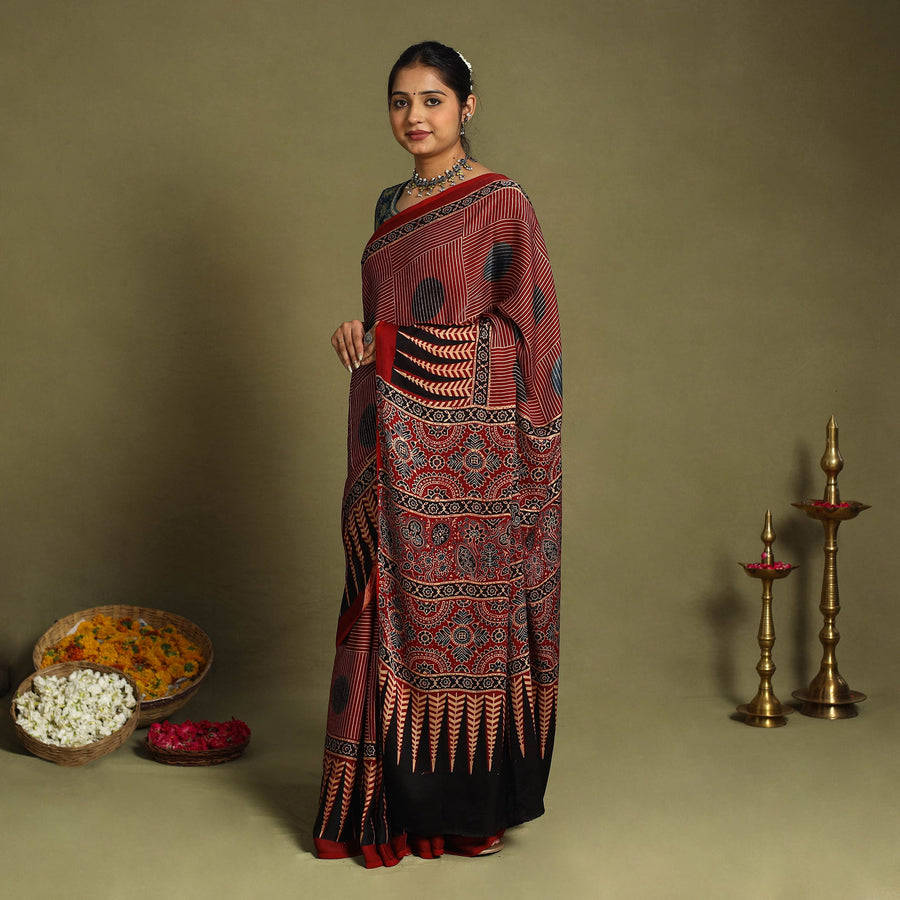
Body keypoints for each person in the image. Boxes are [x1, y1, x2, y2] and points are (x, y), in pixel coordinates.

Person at [314, 41, 562, 868]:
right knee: (382, 608)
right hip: (390, 440)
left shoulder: (502, 202)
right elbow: (384, 316)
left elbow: (527, 336)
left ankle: (468, 809)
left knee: (464, 623)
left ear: (467, 106)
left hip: (471, 456)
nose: (414, 117)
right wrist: (362, 335)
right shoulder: (390, 203)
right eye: (400, 101)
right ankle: (382, 802)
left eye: (431, 100)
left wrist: (400, 347)